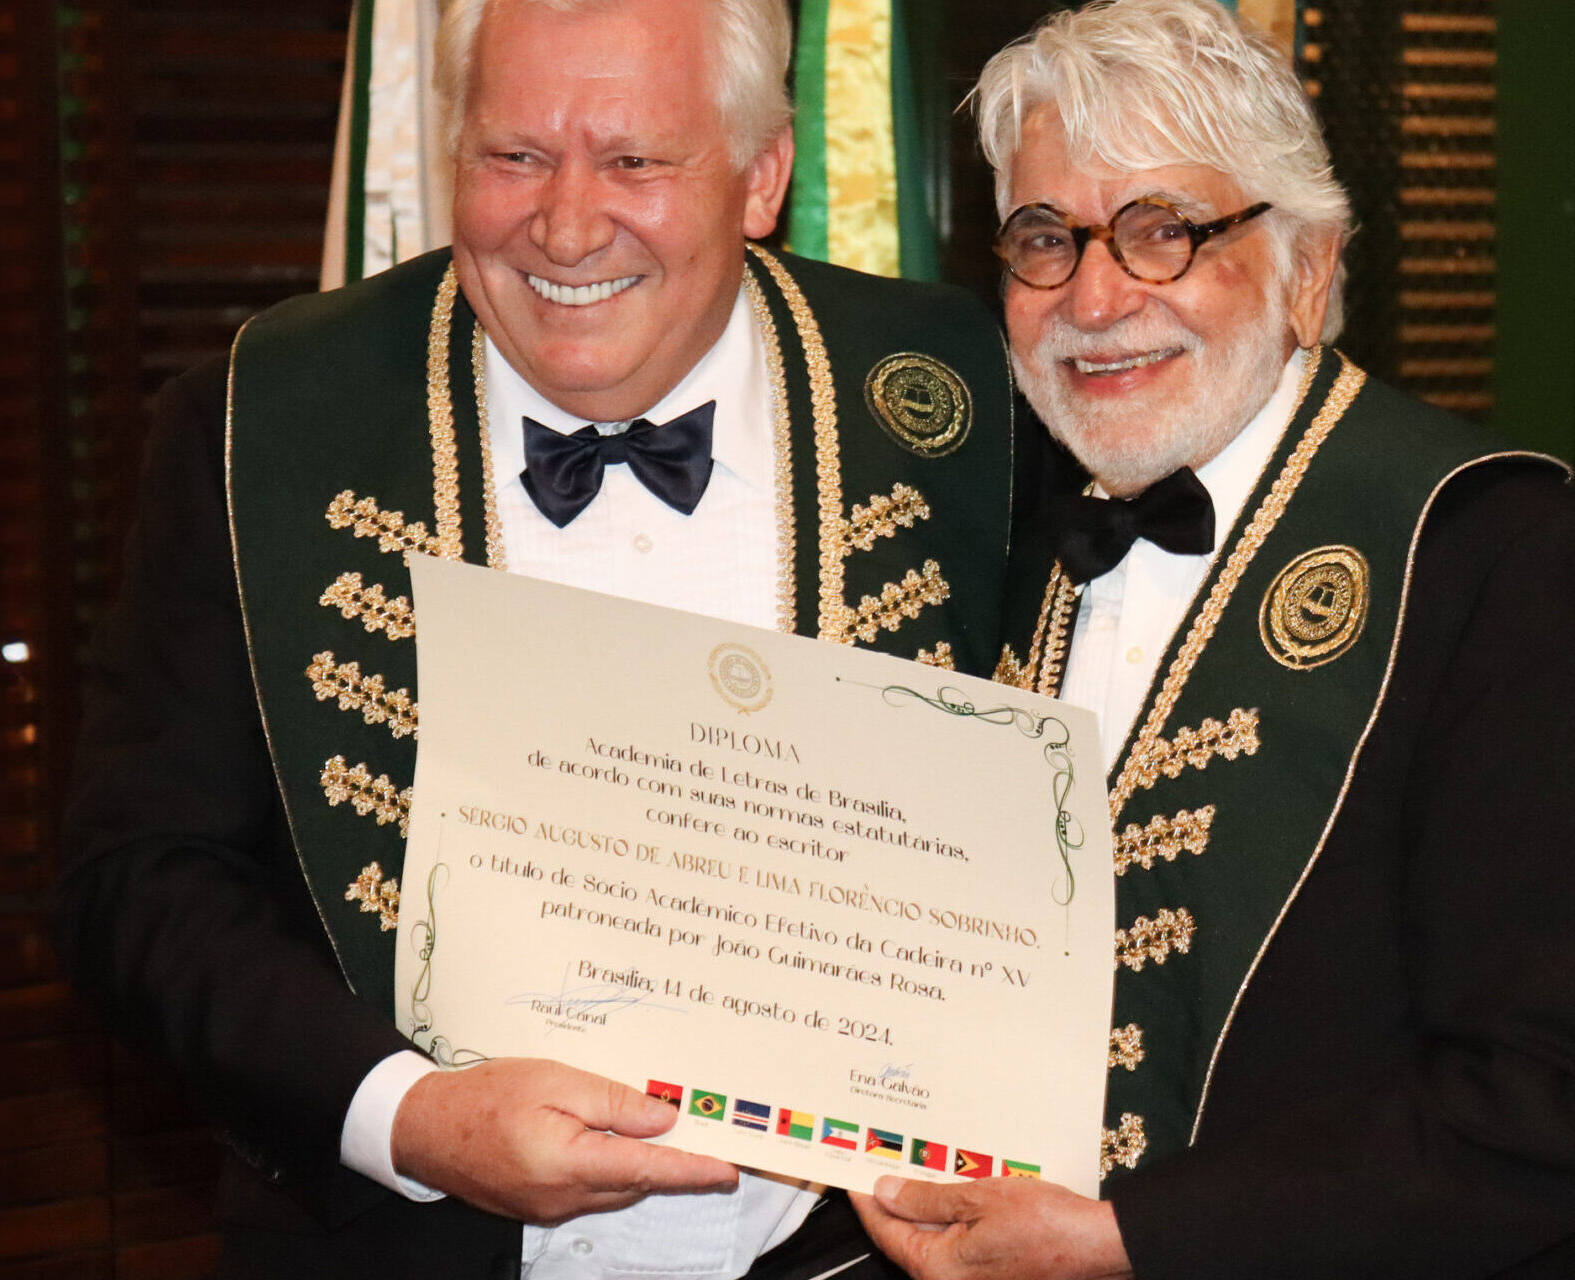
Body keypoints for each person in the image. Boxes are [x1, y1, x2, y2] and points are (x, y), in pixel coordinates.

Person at [54, 0, 1012, 1273]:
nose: (565, 225)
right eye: (514, 156)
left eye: (634, 160)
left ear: (761, 176)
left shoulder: (956, 387)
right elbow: (135, 880)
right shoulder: (259, 422)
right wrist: (408, 1115)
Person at [850, 2, 1575, 1277]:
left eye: (1162, 231)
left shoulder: (1500, 564)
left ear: (1305, 267)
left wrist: (1133, 1239)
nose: (1093, 297)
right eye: (1045, 239)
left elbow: (1561, 1099)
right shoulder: (1009, 549)